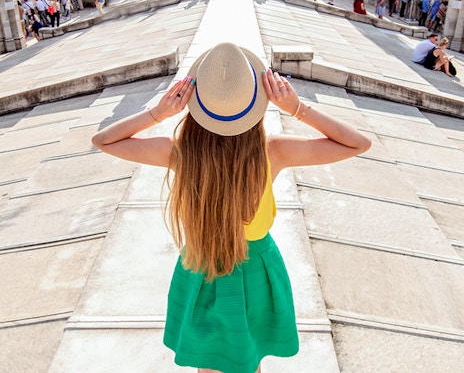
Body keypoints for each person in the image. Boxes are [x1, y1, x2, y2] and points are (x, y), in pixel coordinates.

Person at [91, 42, 371, 373]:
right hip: (257, 271)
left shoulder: (180, 153)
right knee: (247, 360)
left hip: (202, 266)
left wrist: (160, 112)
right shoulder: (273, 152)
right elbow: (358, 143)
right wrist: (297, 108)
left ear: (196, 103)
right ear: (256, 104)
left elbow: (103, 140)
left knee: (209, 361)